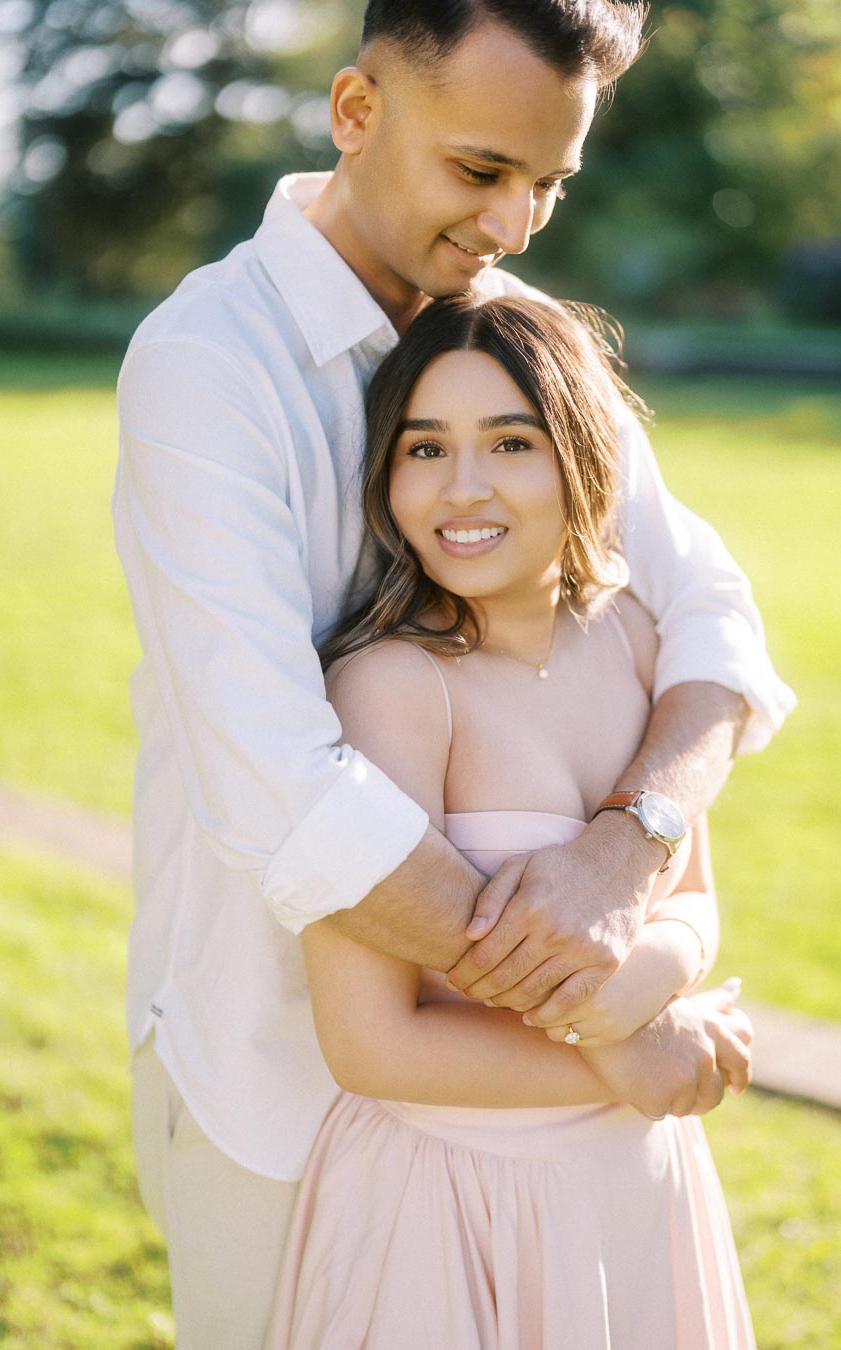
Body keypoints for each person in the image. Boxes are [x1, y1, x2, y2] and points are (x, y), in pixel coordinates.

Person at [114, 1, 793, 1343]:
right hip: (274, 1074)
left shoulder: (521, 334)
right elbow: (292, 795)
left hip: (551, 1126)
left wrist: (630, 841)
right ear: (357, 113)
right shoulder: (204, 367)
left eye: (550, 182)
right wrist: (609, 1021)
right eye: (483, 171)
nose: (516, 226)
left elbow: (710, 621)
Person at [267, 292, 757, 1349]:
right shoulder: (394, 687)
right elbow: (370, 1044)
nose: (464, 489)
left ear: (583, 456)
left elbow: (693, 898)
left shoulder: (633, 637)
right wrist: (631, 1048)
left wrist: (640, 988)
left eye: (511, 442)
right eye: (425, 447)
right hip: (453, 1195)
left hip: (634, 1181)